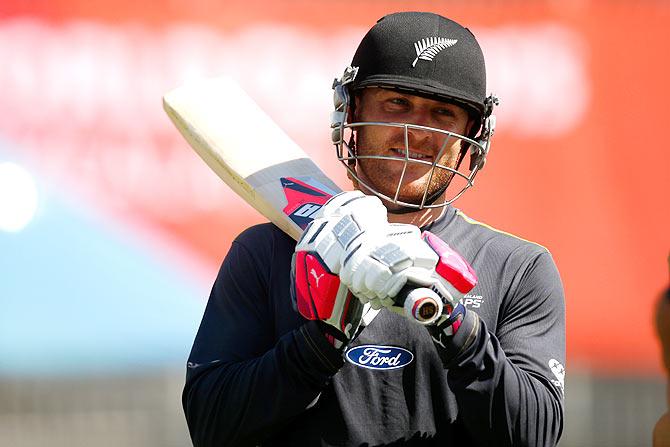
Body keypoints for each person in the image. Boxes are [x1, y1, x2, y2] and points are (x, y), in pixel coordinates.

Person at [183, 11, 566, 446]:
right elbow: (209, 425)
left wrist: (454, 325)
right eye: (397, 104)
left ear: (471, 138)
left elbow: (535, 436)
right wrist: (322, 339)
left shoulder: (518, 268)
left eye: (442, 113)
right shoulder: (265, 252)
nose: (416, 133)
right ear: (351, 111)